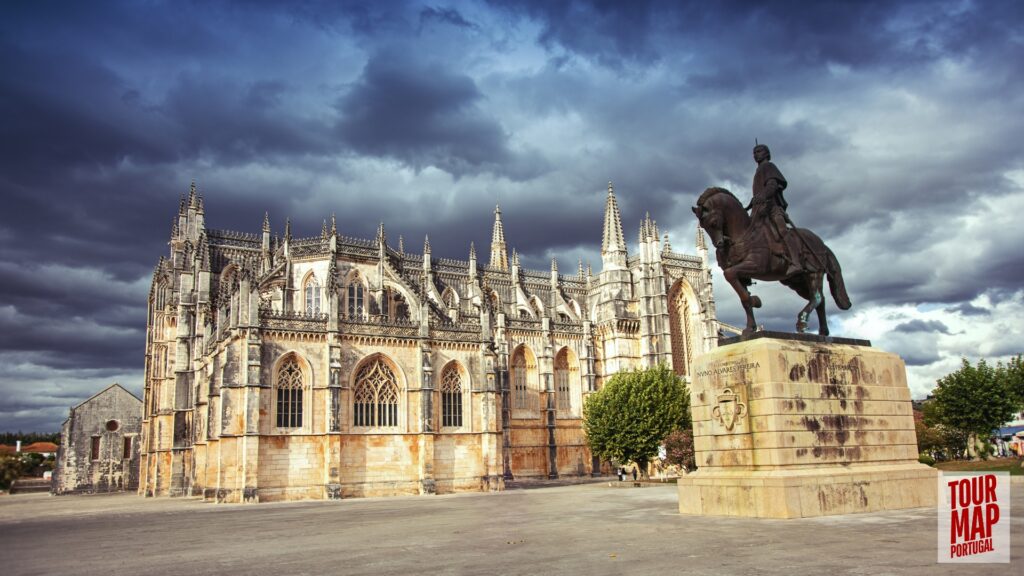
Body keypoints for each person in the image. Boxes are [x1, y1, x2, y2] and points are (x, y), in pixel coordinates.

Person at [748, 144, 802, 276]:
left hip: (772, 207)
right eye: (754, 152)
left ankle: (796, 261)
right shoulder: (758, 171)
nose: (756, 154)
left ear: (766, 154)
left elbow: (772, 186)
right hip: (759, 210)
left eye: (759, 151)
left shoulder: (769, 167)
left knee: (782, 230)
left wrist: (762, 196)